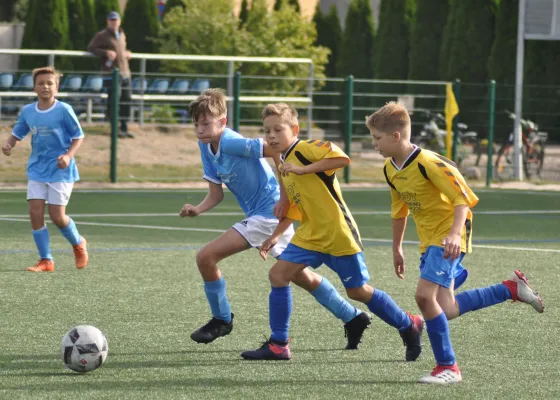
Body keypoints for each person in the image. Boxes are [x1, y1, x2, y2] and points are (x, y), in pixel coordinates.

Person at [366, 101, 544, 384]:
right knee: (445, 308)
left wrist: (453, 234)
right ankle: (509, 289)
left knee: (424, 297)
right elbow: (399, 210)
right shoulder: (390, 169)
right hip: (429, 240)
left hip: (450, 234)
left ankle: (448, 367)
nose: (374, 144)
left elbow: (464, 198)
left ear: (396, 136)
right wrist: (397, 248)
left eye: (377, 138)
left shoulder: (429, 163)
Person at [181, 89, 372, 350]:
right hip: (265, 216)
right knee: (299, 275)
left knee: (206, 257)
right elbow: (216, 194)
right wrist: (198, 209)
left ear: (223, 122)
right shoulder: (206, 146)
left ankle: (222, 319)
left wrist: (284, 198)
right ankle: (353, 316)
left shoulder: (230, 142)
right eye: (196, 124)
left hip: (268, 214)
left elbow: (274, 149)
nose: (200, 129)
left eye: (206, 123)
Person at [240, 103, 423, 361]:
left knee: (357, 292)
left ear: (294, 129)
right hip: (310, 236)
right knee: (278, 275)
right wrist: (275, 235)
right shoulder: (282, 161)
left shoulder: (305, 149)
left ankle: (408, 323)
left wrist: (303, 169)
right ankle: (279, 344)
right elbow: (297, 206)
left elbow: (342, 158)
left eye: (278, 130)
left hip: (338, 234)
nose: (271, 136)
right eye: (267, 130)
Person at [1, 67, 89, 272]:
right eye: (41, 83)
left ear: (56, 87)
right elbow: (18, 132)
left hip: (60, 170)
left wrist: (68, 156)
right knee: (35, 212)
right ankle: (46, 260)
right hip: (37, 169)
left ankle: (78, 243)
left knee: (57, 217)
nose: (45, 87)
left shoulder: (64, 110)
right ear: (34, 87)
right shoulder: (28, 111)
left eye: (50, 83)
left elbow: (79, 136)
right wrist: (9, 144)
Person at [87, 11, 134, 139]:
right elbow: (91, 48)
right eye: (111, 20)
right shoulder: (101, 35)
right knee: (114, 101)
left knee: (127, 100)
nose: (114, 22)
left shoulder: (122, 34)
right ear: (108, 21)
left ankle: (124, 127)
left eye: (116, 20)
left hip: (125, 72)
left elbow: (121, 49)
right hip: (111, 74)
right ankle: (114, 128)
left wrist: (127, 53)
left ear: (119, 21)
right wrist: (105, 52)